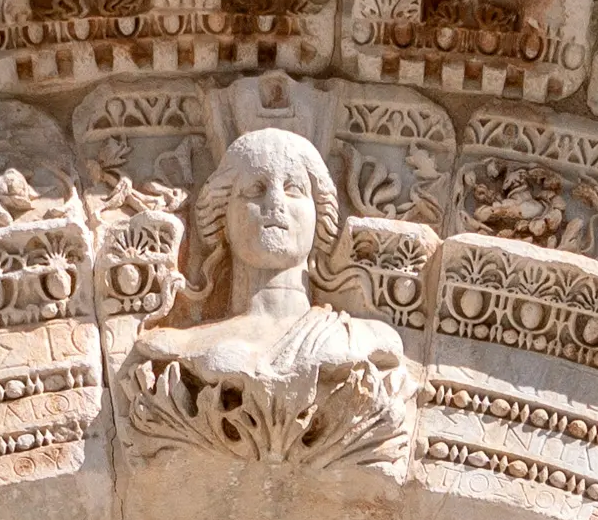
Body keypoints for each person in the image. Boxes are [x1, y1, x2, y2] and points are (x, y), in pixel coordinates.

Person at [116, 111, 415, 472]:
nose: (275, 203)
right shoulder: (172, 346)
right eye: (255, 189)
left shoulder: (368, 338)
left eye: (293, 190)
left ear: (321, 216)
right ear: (221, 217)